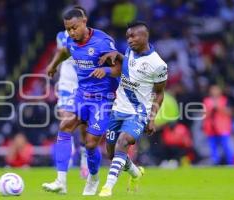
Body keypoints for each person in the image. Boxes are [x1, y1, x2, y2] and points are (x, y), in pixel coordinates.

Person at [42, 6, 121, 195]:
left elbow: (120, 67)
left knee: (91, 143)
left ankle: (93, 177)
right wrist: (53, 65)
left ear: (84, 21)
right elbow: (64, 51)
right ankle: (61, 181)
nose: (71, 32)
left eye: (74, 28)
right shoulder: (71, 40)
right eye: (68, 29)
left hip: (103, 99)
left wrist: (107, 71)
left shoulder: (102, 42)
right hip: (82, 95)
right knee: (65, 126)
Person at [97, 21, 168, 197]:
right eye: (128, 36)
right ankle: (136, 173)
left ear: (145, 36)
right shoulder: (129, 51)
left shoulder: (158, 64)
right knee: (112, 154)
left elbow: (159, 93)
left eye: (133, 36)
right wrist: (117, 55)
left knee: (123, 142)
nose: (129, 40)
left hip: (138, 113)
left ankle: (108, 187)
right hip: (117, 109)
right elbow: (128, 63)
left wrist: (151, 119)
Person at [55, 6, 89, 179]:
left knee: (84, 127)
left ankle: (84, 158)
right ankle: (68, 150)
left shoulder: (93, 38)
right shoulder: (62, 37)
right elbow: (61, 55)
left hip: (84, 86)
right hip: (67, 85)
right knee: (66, 120)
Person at [203, 85, 234, 165]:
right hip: (211, 128)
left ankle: (230, 163)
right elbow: (204, 115)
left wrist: (219, 107)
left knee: (227, 146)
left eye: (216, 90)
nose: (214, 92)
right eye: (212, 90)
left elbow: (230, 113)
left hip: (223, 128)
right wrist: (211, 108)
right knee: (213, 148)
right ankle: (215, 163)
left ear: (220, 91)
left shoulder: (225, 100)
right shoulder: (206, 101)